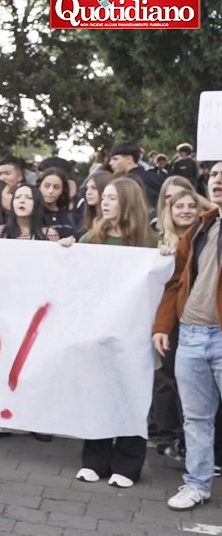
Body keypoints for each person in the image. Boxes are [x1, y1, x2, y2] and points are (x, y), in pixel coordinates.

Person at [77, 177, 158, 488]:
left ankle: (128, 463)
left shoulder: (149, 242)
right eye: (104, 197)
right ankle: (93, 460)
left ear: (128, 202)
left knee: (132, 395)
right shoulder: (91, 239)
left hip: (135, 335)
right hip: (98, 332)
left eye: (112, 197)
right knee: (98, 394)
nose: (105, 202)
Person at [154, 161, 222, 510]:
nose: (219, 180)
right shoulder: (200, 227)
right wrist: (163, 326)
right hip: (192, 336)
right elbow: (176, 281)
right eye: (213, 175)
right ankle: (197, 484)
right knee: (195, 418)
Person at [108, 140, 162, 211]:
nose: (110, 163)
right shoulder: (154, 176)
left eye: (115, 159)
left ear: (129, 159)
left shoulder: (130, 182)